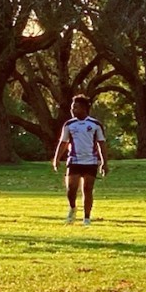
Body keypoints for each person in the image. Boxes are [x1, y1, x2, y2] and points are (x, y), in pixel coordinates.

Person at [52, 93, 109, 224]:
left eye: (75, 107)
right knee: (71, 189)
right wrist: (56, 159)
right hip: (74, 161)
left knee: (87, 189)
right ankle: (72, 207)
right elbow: (63, 142)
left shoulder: (95, 124)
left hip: (91, 161)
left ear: (83, 108)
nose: (72, 110)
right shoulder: (69, 125)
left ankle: (87, 218)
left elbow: (101, 143)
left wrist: (104, 163)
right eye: (72, 108)